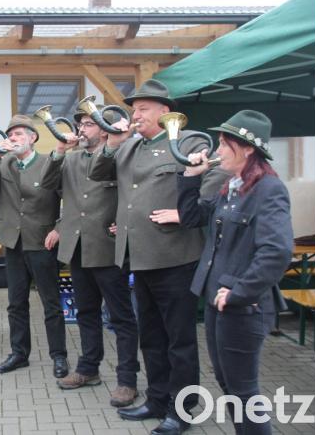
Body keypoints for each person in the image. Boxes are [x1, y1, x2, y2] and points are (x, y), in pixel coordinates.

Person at [89, 79, 229, 435]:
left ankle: (184, 409)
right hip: (139, 255)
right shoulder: (130, 146)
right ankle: (157, 398)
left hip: (174, 254)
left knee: (179, 339)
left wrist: (190, 212)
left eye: (144, 108)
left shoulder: (189, 140)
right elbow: (97, 173)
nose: (136, 114)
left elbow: (218, 172)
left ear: (166, 112)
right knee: (150, 335)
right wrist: (113, 141)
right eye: (134, 109)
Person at [177, 110, 292, 435]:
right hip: (217, 301)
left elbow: (277, 251)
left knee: (243, 392)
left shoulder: (268, 190)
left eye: (224, 144)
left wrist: (240, 291)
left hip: (242, 306)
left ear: (247, 148)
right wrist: (189, 176)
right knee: (228, 384)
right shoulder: (232, 188)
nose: (217, 152)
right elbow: (190, 217)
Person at [41, 107, 141, 407]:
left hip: (108, 247)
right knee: (86, 312)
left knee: (121, 317)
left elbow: (134, 194)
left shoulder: (125, 154)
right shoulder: (71, 158)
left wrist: (124, 222)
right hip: (78, 246)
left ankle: (127, 380)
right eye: (81, 124)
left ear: (104, 128)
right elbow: (46, 185)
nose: (82, 129)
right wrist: (59, 149)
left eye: (89, 124)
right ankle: (88, 369)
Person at [0, 114, 68, 379]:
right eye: (10, 135)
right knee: (16, 303)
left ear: (32, 138)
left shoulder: (49, 163)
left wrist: (59, 228)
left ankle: (59, 355)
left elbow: (70, 199)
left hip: (41, 242)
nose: (12, 139)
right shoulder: (4, 163)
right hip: (13, 243)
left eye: (18, 135)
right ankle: (19, 353)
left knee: (50, 303)